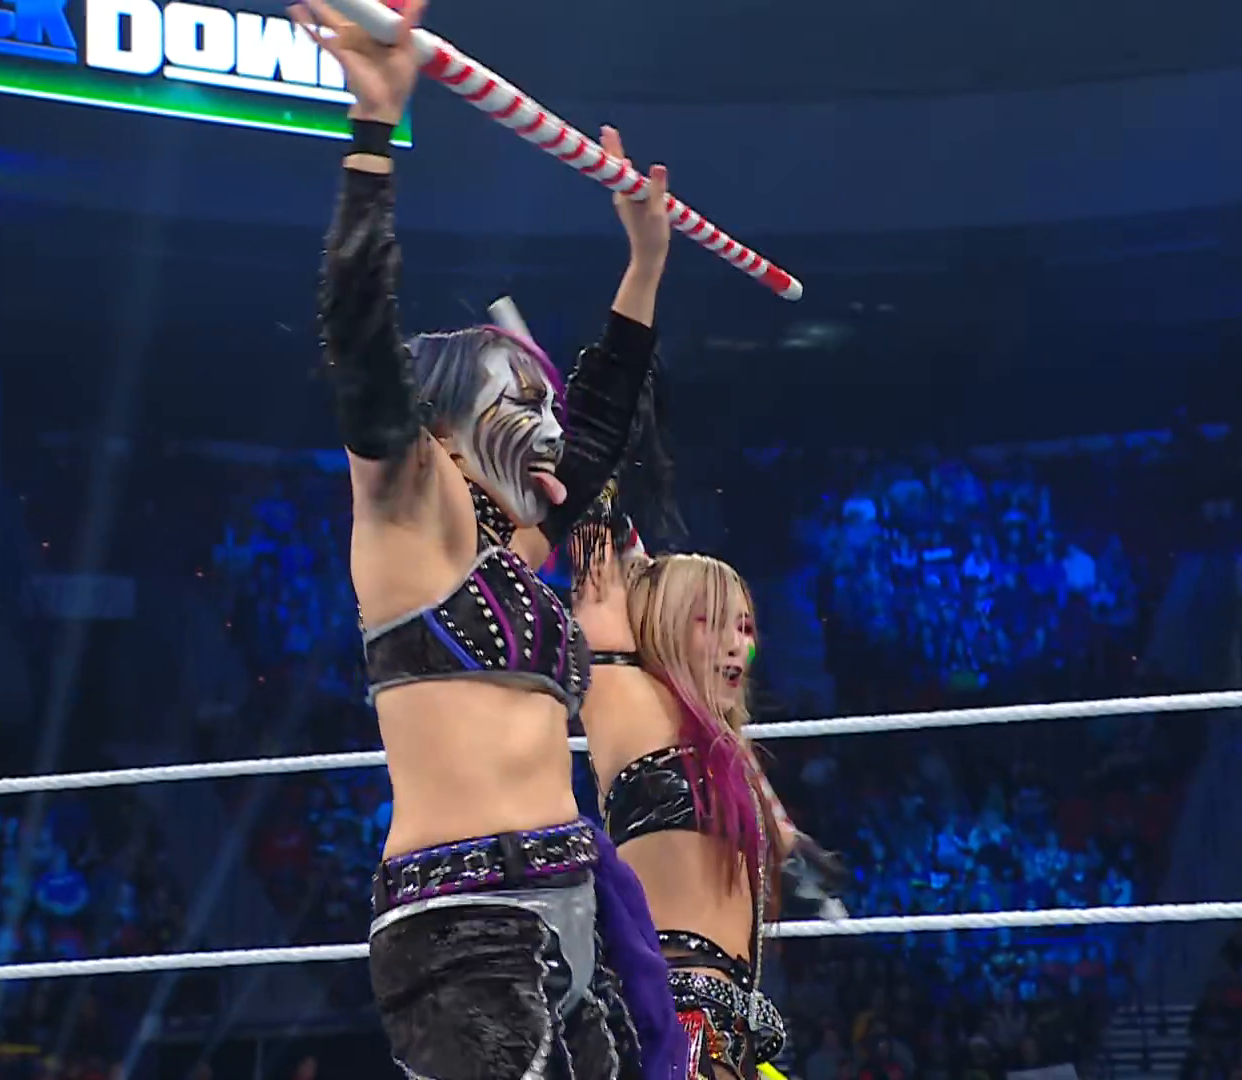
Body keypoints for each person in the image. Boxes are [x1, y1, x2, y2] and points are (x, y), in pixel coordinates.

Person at [291, 0, 686, 1074]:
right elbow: (361, 339)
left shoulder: (509, 547)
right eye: (521, 401)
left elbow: (595, 431)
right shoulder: (406, 515)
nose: (548, 425)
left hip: (570, 898)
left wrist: (643, 260)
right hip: (464, 921)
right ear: (444, 427)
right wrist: (373, 133)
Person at [572, 503, 847, 1080]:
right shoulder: (634, 709)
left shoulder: (723, 750)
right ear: (665, 625)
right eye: (711, 622)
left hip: (731, 1035)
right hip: (674, 1031)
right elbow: (600, 580)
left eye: (745, 628)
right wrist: (602, 499)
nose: (736, 644)